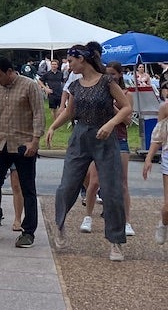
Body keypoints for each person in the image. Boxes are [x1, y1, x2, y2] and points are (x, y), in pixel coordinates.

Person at [47, 43, 132, 260]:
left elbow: (126, 107)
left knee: (111, 189)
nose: (68, 64)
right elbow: (69, 111)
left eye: (70, 60)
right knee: (67, 185)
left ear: (81, 59)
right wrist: (53, 127)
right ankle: (60, 225)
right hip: (80, 136)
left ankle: (115, 242)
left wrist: (111, 124)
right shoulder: (75, 85)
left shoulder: (107, 81)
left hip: (105, 137)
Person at [79, 61, 134, 237]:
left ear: (119, 74)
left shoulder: (126, 94)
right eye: (107, 73)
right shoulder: (99, 90)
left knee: (122, 182)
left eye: (113, 74)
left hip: (119, 138)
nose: (110, 77)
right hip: (100, 139)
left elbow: (128, 121)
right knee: (94, 181)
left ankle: (126, 221)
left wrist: (114, 106)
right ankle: (88, 216)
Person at [141, 112, 168, 245]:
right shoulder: (165, 107)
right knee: (167, 207)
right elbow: (158, 136)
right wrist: (148, 158)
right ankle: (163, 223)